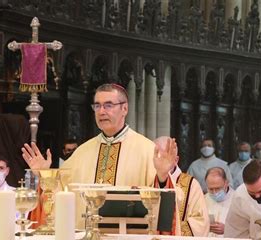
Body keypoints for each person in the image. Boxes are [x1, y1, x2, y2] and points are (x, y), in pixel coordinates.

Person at [22, 83, 177, 228]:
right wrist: (45, 177)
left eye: (108, 105)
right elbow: (61, 195)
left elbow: (162, 209)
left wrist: (162, 177)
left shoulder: (147, 150)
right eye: (97, 105)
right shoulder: (82, 152)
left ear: (125, 109)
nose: (101, 111)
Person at [154, 136, 209, 237]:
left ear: (176, 160)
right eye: (156, 156)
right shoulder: (148, 179)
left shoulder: (191, 184)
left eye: (165, 157)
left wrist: (171, 229)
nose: (160, 162)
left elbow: (201, 223)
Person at [204, 167, 234, 237]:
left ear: (226, 183)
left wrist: (228, 229)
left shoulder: (237, 200)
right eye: (211, 189)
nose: (214, 193)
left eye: (218, 188)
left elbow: (244, 227)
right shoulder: (203, 199)